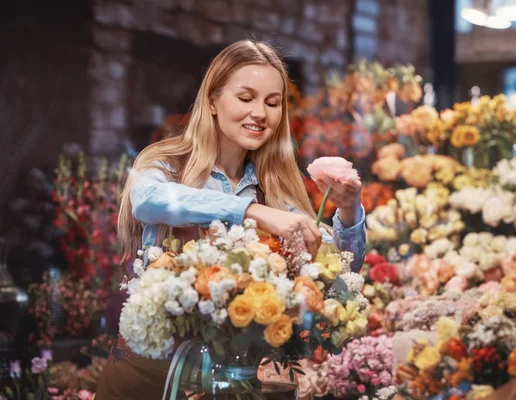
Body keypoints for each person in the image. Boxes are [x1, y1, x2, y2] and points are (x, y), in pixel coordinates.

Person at [95, 39, 366, 399]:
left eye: (272, 103)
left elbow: (338, 275)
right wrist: (250, 211)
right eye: (246, 98)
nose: (260, 113)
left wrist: (348, 211)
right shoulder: (167, 165)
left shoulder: (276, 192)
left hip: (231, 384)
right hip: (149, 379)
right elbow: (146, 200)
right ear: (212, 100)